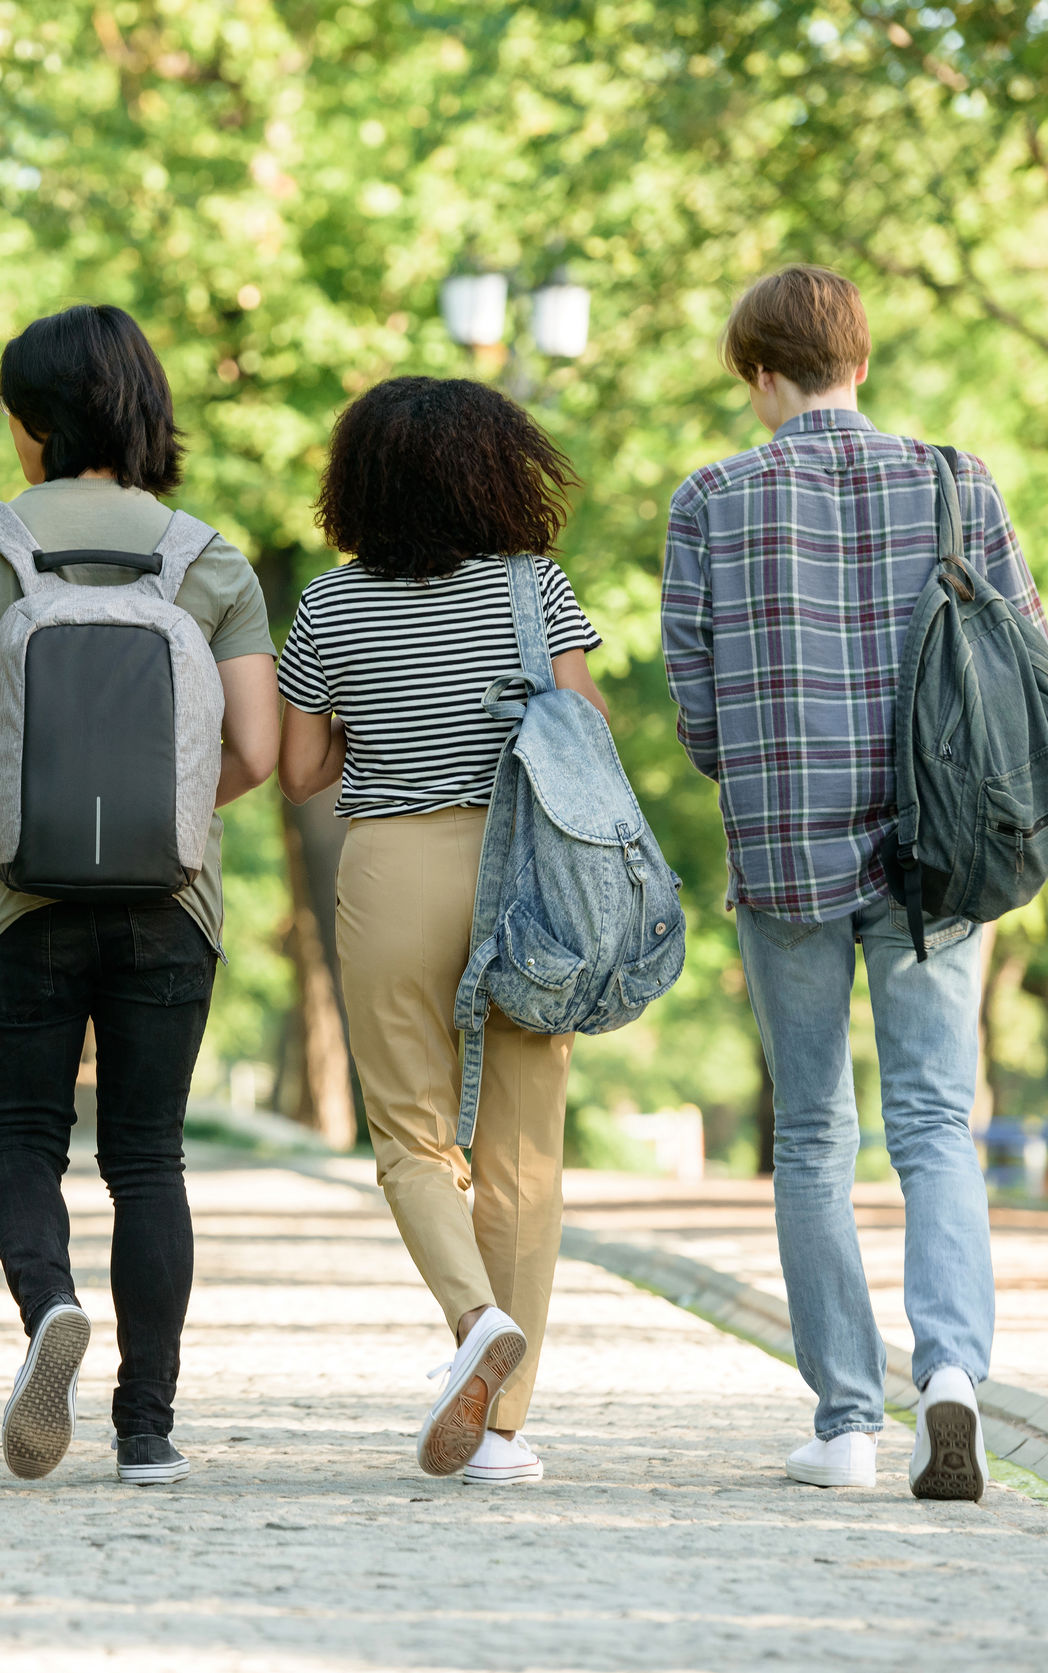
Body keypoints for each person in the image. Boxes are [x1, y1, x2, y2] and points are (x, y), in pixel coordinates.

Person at [661, 264, 1047, 1501]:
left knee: (813, 1134)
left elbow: (693, 694)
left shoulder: (710, 497)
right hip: (940, 850)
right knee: (935, 1124)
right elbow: (1022, 650)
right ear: (859, 362)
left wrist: (764, 769)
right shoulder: (953, 479)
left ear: (759, 376)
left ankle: (842, 1422)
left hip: (785, 852)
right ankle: (951, 1378)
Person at [0, 303, 278, 1487]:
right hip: (172, 904)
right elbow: (258, 750)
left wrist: (13, 840)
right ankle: (147, 1429)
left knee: (21, 1137)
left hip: (20, 906)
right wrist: (166, 822)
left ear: (31, 424)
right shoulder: (207, 557)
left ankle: (49, 1306)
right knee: (148, 1157)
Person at [277, 377, 608, 1487]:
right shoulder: (534, 586)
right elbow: (584, 727)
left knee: (413, 1135)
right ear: (494, 468)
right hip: (523, 867)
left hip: (392, 867)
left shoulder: (328, 605)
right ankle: (500, 1430)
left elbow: (299, 770)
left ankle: (473, 1321)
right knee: (522, 1147)